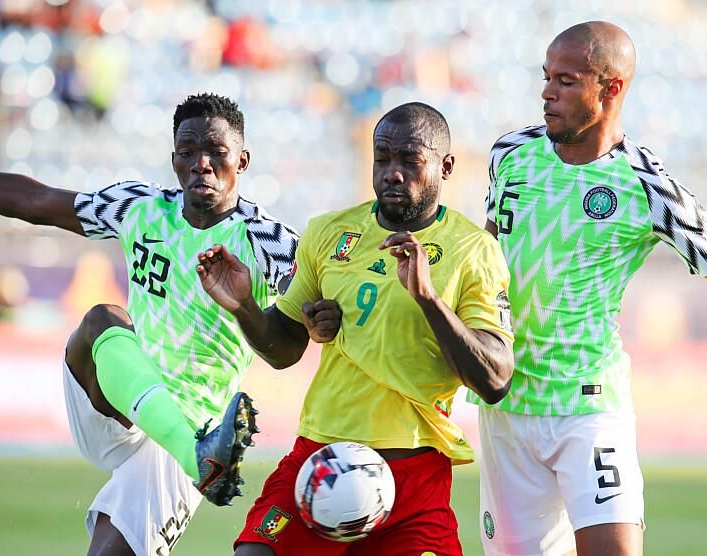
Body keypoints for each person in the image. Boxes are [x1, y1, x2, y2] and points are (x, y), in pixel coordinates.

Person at [0, 93, 299, 555]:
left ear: (243, 160)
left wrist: (302, 314)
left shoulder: (271, 242)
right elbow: (36, 200)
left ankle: (195, 456)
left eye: (216, 152)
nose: (202, 163)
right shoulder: (140, 207)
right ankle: (199, 459)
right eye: (188, 151)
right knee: (101, 320)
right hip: (118, 406)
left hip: (187, 429)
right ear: (174, 159)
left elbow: (289, 346)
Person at [473, 21, 707, 556]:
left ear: (610, 89)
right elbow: (486, 260)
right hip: (506, 405)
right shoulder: (510, 154)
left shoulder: (648, 188)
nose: (546, 92)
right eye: (545, 77)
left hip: (589, 403)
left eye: (565, 80)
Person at [195, 101, 515, 555]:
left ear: (445, 167)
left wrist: (428, 299)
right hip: (321, 456)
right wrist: (245, 306)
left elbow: (496, 379)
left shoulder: (473, 250)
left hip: (414, 474)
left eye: (410, 160)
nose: (392, 173)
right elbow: (284, 349)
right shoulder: (329, 233)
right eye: (382, 158)